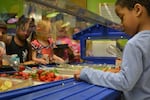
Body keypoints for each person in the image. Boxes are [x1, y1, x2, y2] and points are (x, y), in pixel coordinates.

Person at [74, 0, 150, 100]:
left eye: (122, 17)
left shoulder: (134, 44)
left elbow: (124, 82)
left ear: (137, 10)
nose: (122, 24)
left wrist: (87, 73)